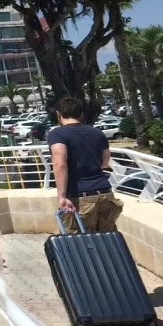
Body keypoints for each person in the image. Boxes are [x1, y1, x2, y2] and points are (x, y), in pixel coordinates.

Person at [49, 95, 122, 234]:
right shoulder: (97, 133)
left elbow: (60, 163)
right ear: (81, 114)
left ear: (59, 114)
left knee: (78, 244)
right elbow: (105, 162)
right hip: (106, 194)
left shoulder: (57, 134)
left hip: (80, 196)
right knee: (108, 240)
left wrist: (62, 197)